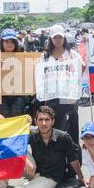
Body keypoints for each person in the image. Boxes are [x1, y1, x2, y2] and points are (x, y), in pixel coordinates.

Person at [39, 24, 86, 179]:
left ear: (64, 38)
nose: (58, 40)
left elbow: (82, 68)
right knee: (55, 135)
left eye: (60, 37)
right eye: (55, 37)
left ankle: (73, 170)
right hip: (51, 99)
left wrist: (78, 65)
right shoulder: (45, 56)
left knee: (71, 134)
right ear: (51, 39)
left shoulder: (72, 54)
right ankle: (57, 169)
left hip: (69, 98)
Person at [0, 28, 26, 118]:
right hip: (1, 96)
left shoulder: (23, 57)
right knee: (3, 120)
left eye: (12, 42)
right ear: (2, 43)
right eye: (6, 41)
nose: (9, 44)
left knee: (16, 119)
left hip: (18, 95)